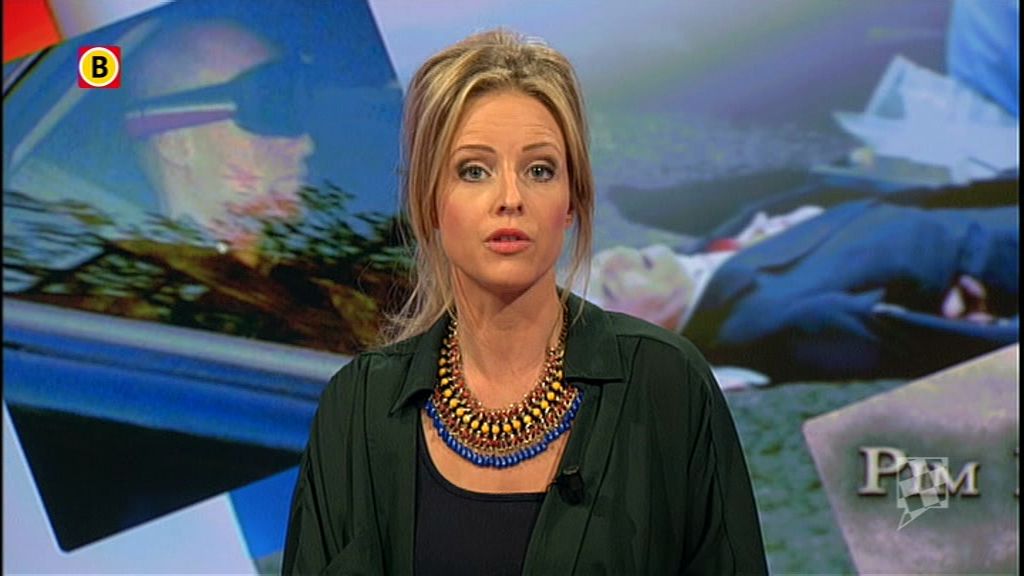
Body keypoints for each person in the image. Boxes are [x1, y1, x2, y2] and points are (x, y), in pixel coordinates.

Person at [282, 29, 767, 575]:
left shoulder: (666, 383)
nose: (510, 199)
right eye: (474, 171)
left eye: (540, 170)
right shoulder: (358, 408)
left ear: (571, 201)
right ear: (430, 201)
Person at [591, 194, 1019, 382]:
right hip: (990, 250)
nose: (611, 259)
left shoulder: (696, 258)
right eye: (609, 288)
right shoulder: (769, 323)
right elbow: (933, 340)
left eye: (594, 261)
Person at [125, 19, 315, 266]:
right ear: (176, 143)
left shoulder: (303, 278)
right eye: (270, 112)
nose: (306, 145)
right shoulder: (133, 280)